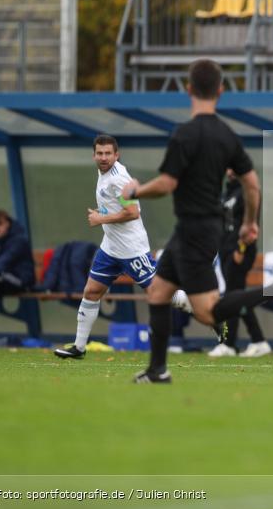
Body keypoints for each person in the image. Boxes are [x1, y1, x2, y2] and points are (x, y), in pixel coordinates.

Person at [122, 59, 273, 383]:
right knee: (158, 293)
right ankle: (157, 371)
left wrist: (136, 189)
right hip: (194, 229)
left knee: (208, 311)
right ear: (220, 91)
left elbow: (166, 184)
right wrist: (250, 221)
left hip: (197, 229)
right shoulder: (227, 135)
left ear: (188, 89)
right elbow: (252, 183)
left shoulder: (185, 134)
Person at [54, 135, 182, 360]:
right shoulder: (103, 173)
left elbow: (133, 213)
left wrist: (100, 219)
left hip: (132, 249)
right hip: (111, 248)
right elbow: (118, 208)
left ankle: (212, 314)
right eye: (100, 153)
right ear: (94, 155)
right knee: (91, 291)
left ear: (117, 154)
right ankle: (79, 347)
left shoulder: (119, 179)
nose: (103, 158)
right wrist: (103, 214)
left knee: (160, 293)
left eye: (108, 154)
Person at [208, 169, 270, 358]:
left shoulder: (248, 191)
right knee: (237, 296)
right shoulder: (228, 192)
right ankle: (257, 340)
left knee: (232, 296)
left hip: (240, 251)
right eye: (227, 168)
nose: (229, 171)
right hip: (225, 250)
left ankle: (229, 343)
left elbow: (251, 223)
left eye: (233, 168)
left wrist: (241, 248)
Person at [0, 210, 34, 344]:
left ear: (8, 224)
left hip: (20, 281)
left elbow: (1, 265)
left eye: (0, 224)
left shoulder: (18, 240)